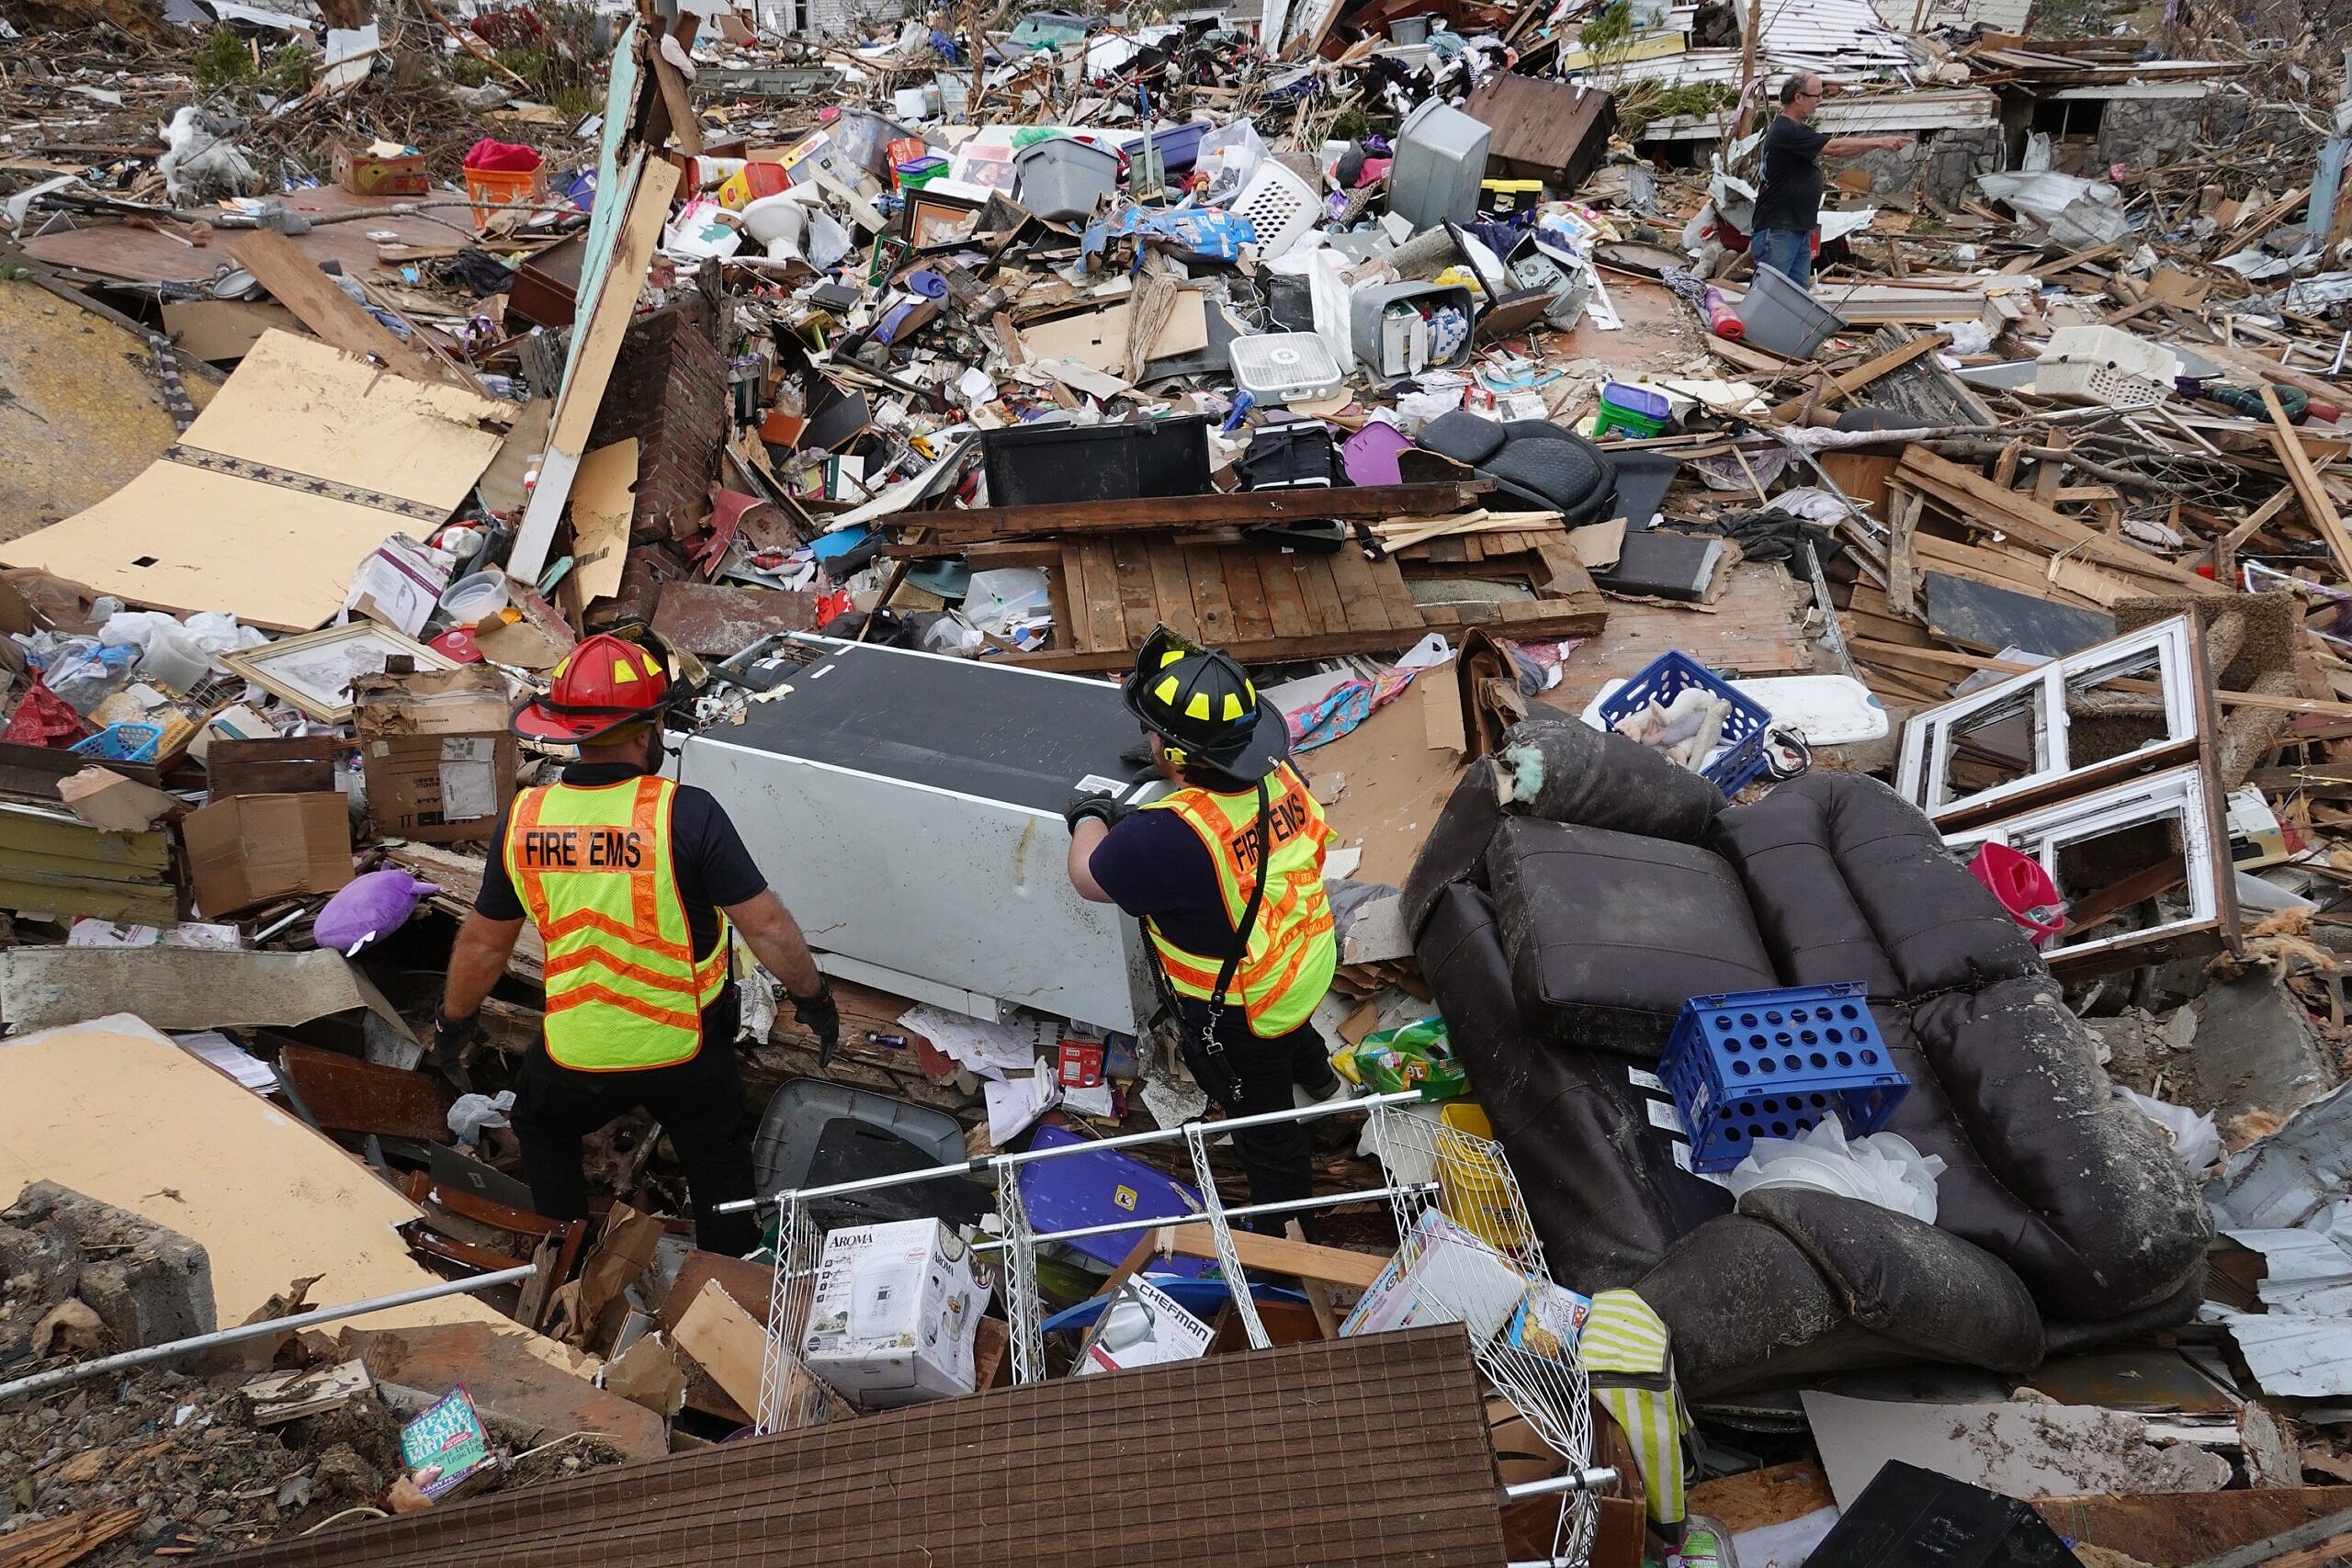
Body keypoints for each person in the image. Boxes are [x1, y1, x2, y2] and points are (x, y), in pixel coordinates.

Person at [435, 634, 840, 1257]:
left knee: (540, 1122)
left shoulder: (525, 819)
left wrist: (454, 1020)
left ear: (572, 729)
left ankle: (564, 1260)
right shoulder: (687, 813)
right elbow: (769, 929)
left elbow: (486, 943)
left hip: (578, 1050)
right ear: (645, 729)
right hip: (685, 1049)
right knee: (717, 1163)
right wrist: (813, 998)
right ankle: (724, 1279)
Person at [1063, 626, 1346, 1226]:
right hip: (1305, 956)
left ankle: (1283, 1229)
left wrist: (1089, 815)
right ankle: (1324, 1086)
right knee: (1296, 1035)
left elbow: (1089, 876)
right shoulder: (1281, 772)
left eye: (1156, 734)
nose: (1146, 737)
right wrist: (1176, 770)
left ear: (1173, 751)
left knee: (1261, 1121)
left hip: (1246, 1008)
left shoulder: (1164, 835)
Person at [1749, 73, 1909, 290]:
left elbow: (1838, 152)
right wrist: (1880, 141)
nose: (1820, 100)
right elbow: (1834, 148)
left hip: (1798, 226)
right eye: (1817, 95)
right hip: (1779, 228)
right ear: (1799, 97)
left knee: (1795, 296)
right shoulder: (1786, 131)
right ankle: (1754, 326)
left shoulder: (1797, 131)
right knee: (1767, 293)